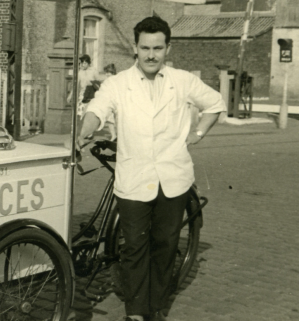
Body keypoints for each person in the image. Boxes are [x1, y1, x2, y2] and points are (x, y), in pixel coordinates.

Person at [77, 16, 226, 321]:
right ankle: (135, 313)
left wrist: (197, 133)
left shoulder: (182, 80)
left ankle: (156, 307)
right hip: (134, 178)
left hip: (174, 177)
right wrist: (84, 131)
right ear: (135, 47)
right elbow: (97, 109)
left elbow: (215, 103)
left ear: (167, 48)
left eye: (157, 48)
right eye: (145, 47)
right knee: (133, 247)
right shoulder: (118, 84)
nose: (151, 55)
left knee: (166, 245)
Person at [67, 54, 104, 120]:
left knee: (90, 114)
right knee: (80, 114)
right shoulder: (80, 72)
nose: (83, 65)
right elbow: (75, 85)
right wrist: (70, 95)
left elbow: (99, 84)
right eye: (81, 63)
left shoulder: (93, 71)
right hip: (83, 96)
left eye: (85, 63)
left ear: (89, 63)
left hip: (92, 96)